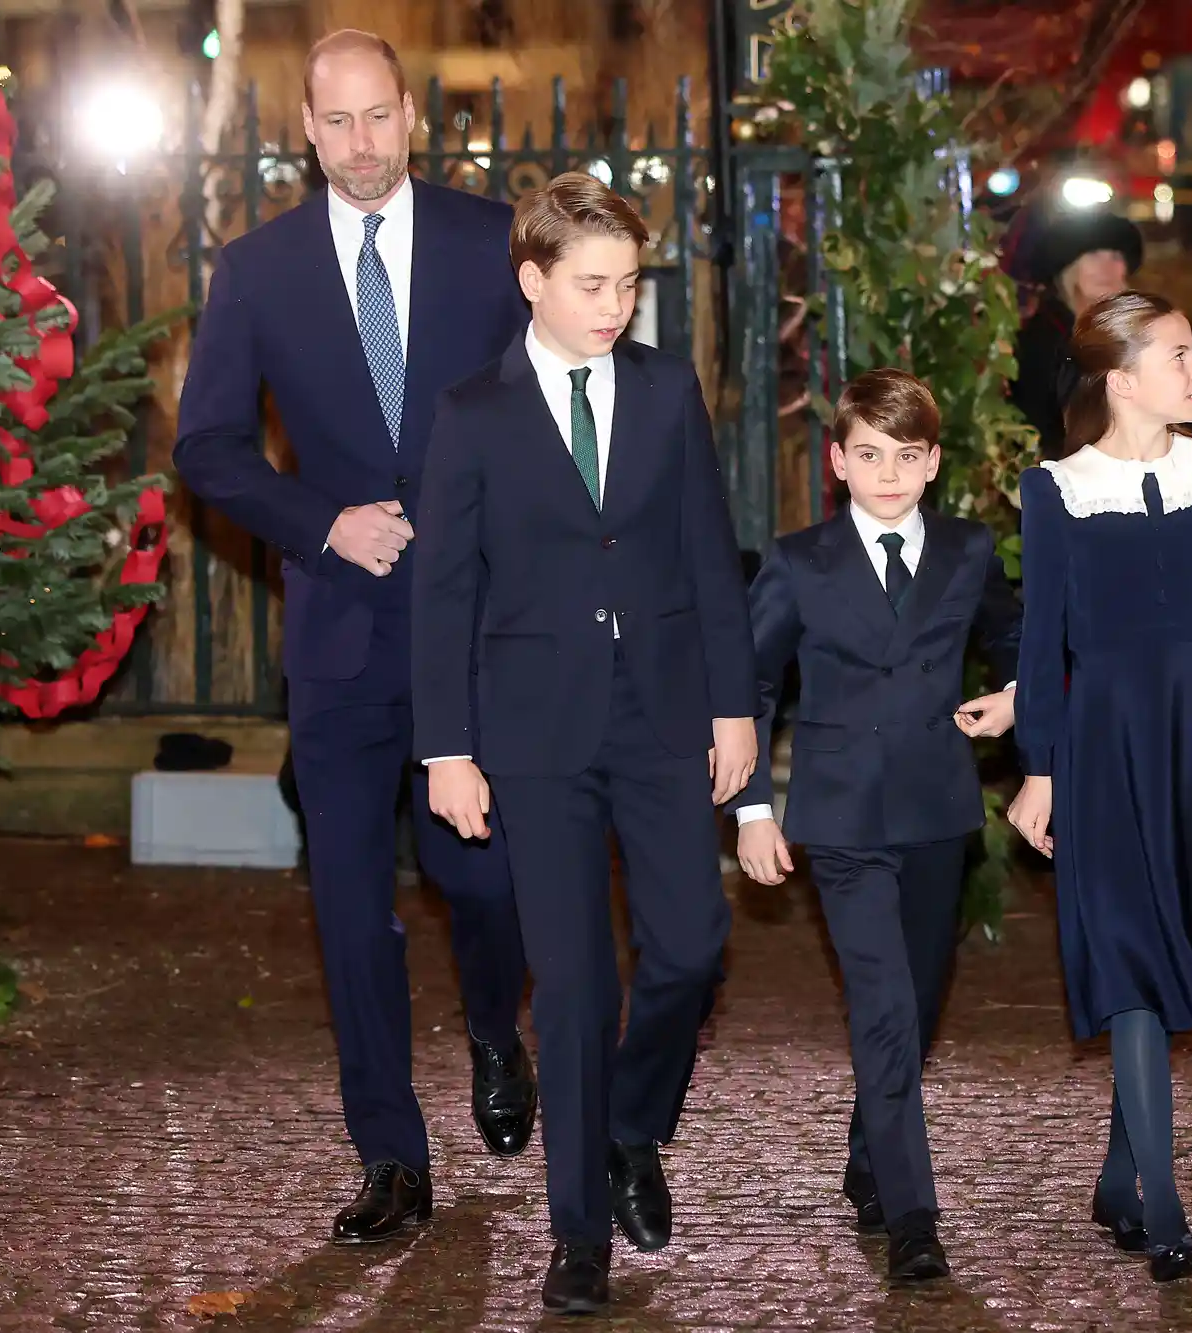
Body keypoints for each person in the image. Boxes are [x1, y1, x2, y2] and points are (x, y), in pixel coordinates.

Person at [172, 29, 537, 1245]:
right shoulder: (256, 271)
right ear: (308, 133)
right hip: (335, 637)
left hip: (474, 633)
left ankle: (495, 1023)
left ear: (408, 116)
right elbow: (208, 447)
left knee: (480, 880)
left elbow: (553, 407)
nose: (363, 143)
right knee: (347, 910)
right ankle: (390, 1154)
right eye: (339, 123)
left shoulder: (495, 247)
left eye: (381, 116)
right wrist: (322, 524)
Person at [411, 172, 756, 1316]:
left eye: (628, 284)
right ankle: (577, 1237)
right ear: (533, 281)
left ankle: (627, 1128)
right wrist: (445, 748)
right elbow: (444, 593)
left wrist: (735, 705)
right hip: (533, 731)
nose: (616, 306)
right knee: (568, 986)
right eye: (593, 285)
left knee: (693, 943)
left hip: (660, 713)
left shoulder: (664, 391)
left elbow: (710, 553)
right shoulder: (473, 412)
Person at [1006, 291, 1192, 1283]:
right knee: (1129, 951)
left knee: (1180, 938)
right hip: (1101, 746)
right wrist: (1037, 769)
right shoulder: (1053, 491)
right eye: (1178, 356)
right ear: (1121, 379)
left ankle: (1118, 1171)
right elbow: (1041, 641)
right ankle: (1162, 1204)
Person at [729, 370, 1023, 1285]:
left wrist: (1015, 697)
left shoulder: (969, 551)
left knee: (921, 1001)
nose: (887, 473)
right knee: (885, 1008)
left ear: (933, 463)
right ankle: (913, 1215)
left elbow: (1018, 637)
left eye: (906, 456)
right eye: (868, 455)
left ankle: (870, 1153)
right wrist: (750, 811)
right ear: (836, 461)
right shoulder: (799, 560)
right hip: (843, 816)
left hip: (937, 810)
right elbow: (749, 685)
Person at [1010, 209, 1142, 460]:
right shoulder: (1043, 337)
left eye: (1115, 255)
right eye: (1093, 255)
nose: (1107, 267)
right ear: (1069, 269)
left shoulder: (1135, 331)